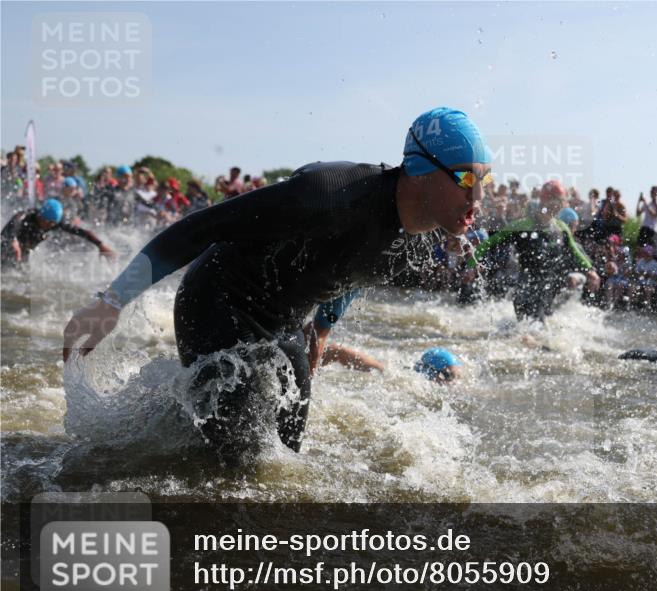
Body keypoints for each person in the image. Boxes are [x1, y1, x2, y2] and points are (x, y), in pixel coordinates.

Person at [62, 107, 490, 460]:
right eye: (467, 180)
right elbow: (199, 228)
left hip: (285, 322)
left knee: (284, 457)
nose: (478, 199)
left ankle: (178, 416)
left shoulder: (425, 236)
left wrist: (323, 328)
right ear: (420, 169)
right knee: (240, 461)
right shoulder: (331, 194)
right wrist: (112, 301)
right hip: (219, 300)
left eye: (484, 181)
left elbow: (358, 269)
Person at [470, 179, 600, 322]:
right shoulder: (522, 226)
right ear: (546, 201)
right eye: (560, 200)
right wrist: (471, 265)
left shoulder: (561, 228)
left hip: (549, 291)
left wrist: (590, 270)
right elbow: (489, 243)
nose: (563, 204)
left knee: (544, 329)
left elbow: (575, 251)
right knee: (534, 329)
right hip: (526, 290)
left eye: (563, 200)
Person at [2, 198, 114, 266]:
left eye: (53, 224)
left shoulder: (54, 223)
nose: (50, 226)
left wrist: (100, 245)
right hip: (6, 248)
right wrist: (13, 240)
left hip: (23, 253)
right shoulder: (27, 215)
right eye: (48, 223)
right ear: (41, 216)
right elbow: (11, 225)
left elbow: (80, 232)